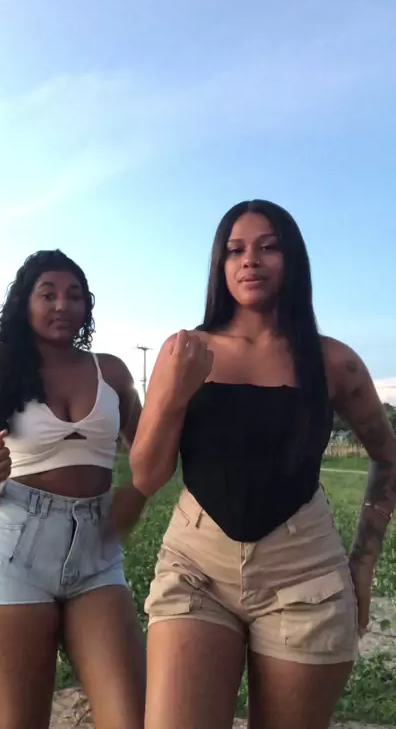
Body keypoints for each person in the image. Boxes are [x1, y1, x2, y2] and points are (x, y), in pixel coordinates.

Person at [130, 200, 396, 729]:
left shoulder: (332, 361)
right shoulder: (184, 352)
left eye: (268, 247)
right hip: (196, 568)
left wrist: (363, 563)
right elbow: (146, 476)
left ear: (292, 259)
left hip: (305, 576)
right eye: (235, 250)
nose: (250, 260)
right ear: (220, 264)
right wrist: (173, 397)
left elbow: (387, 457)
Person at [0, 249, 146, 729]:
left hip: (97, 556)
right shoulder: (1, 379)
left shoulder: (112, 372)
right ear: (25, 304)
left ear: (86, 305)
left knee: (131, 718)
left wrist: (138, 491)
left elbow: (148, 449)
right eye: (48, 294)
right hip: (15, 552)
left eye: (74, 295)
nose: (63, 305)